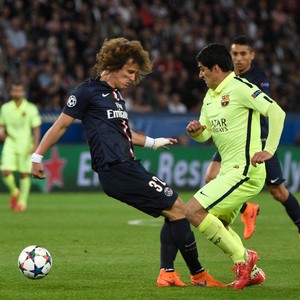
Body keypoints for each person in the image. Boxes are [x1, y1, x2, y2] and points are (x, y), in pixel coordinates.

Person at [31, 37, 225, 287]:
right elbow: (60, 126)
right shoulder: (86, 91)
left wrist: (153, 142)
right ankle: (198, 276)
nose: (133, 78)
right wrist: (37, 157)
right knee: (181, 210)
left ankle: (168, 273)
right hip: (116, 169)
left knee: (173, 211)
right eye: (130, 72)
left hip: (128, 166)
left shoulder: (115, 96)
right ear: (113, 65)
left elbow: (124, 133)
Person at [185, 43, 286, 289]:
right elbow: (205, 133)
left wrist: (269, 150)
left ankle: (244, 259)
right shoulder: (210, 95)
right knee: (218, 221)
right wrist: (197, 132)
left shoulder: (241, 88)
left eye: (202, 69)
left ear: (216, 68)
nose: (200, 75)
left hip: (245, 169)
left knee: (193, 211)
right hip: (228, 170)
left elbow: (276, 112)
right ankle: (253, 274)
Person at [204, 35, 300, 239]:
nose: (238, 58)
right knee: (211, 177)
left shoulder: (256, 79)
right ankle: (247, 209)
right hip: (232, 142)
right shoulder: (225, 80)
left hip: (257, 141)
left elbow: (269, 110)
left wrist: (268, 148)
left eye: (243, 54)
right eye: (235, 54)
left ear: (251, 55)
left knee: (278, 192)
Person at [0, 82, 42, 211]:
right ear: (11, 92)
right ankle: (14, 191)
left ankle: (22, 203)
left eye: (19, 91)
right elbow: (2, 124)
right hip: (10, 142)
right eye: (14, 90)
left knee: (24, 173)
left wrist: (36, 146)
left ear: (23, 92)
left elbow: (36, 128)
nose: (17, 93)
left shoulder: (30, 108)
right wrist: (1, 131)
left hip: (25, 143)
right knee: (5, 171)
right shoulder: (5, 108)